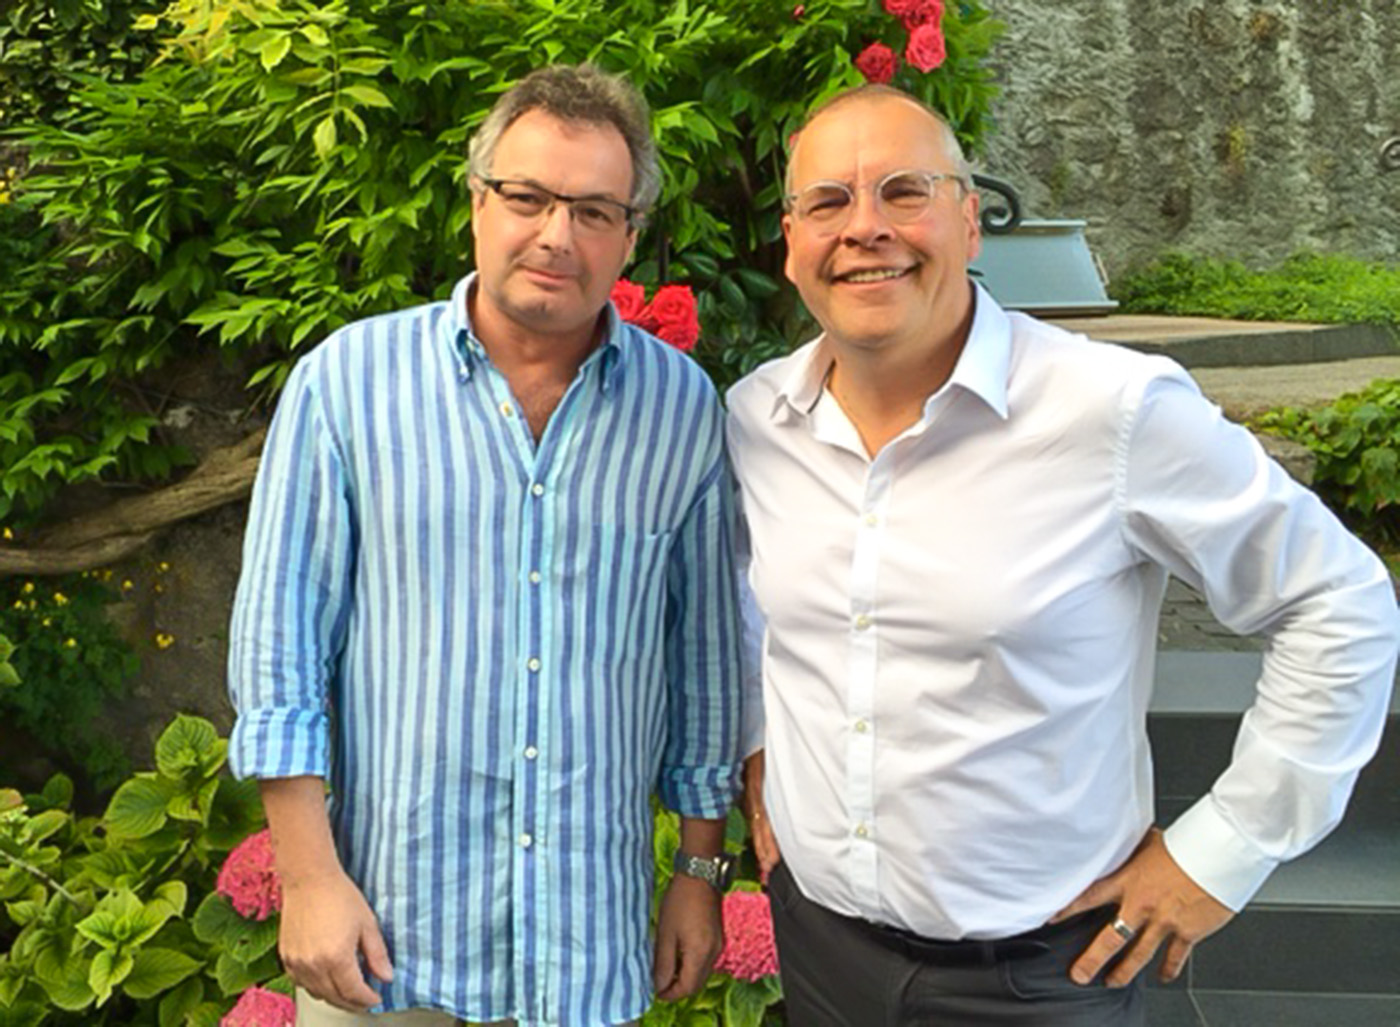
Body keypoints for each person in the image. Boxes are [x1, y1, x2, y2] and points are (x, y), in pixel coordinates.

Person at [727, 83, 1399, 1025]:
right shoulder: (759, 417)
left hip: (1042, 977)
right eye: (829, 200)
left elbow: (1338, 598)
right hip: (822, 949)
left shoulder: (1112, 410)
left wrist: (1225, 848)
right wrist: (761, 741)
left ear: (971, 222)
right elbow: (752, 599)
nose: (864, 227)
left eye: (905, 191)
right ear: (792, 240)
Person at [227, 64, 743, 1027]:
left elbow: (704, 662)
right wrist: (307, 876)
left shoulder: (682, 410)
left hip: (586, 950)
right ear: (476, 202)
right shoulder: (349, 385)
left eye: (594, 211)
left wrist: (698, 871)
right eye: (528, 197)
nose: (557, 234)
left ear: (630, 236)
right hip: (383, 946)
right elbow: (280, 650)